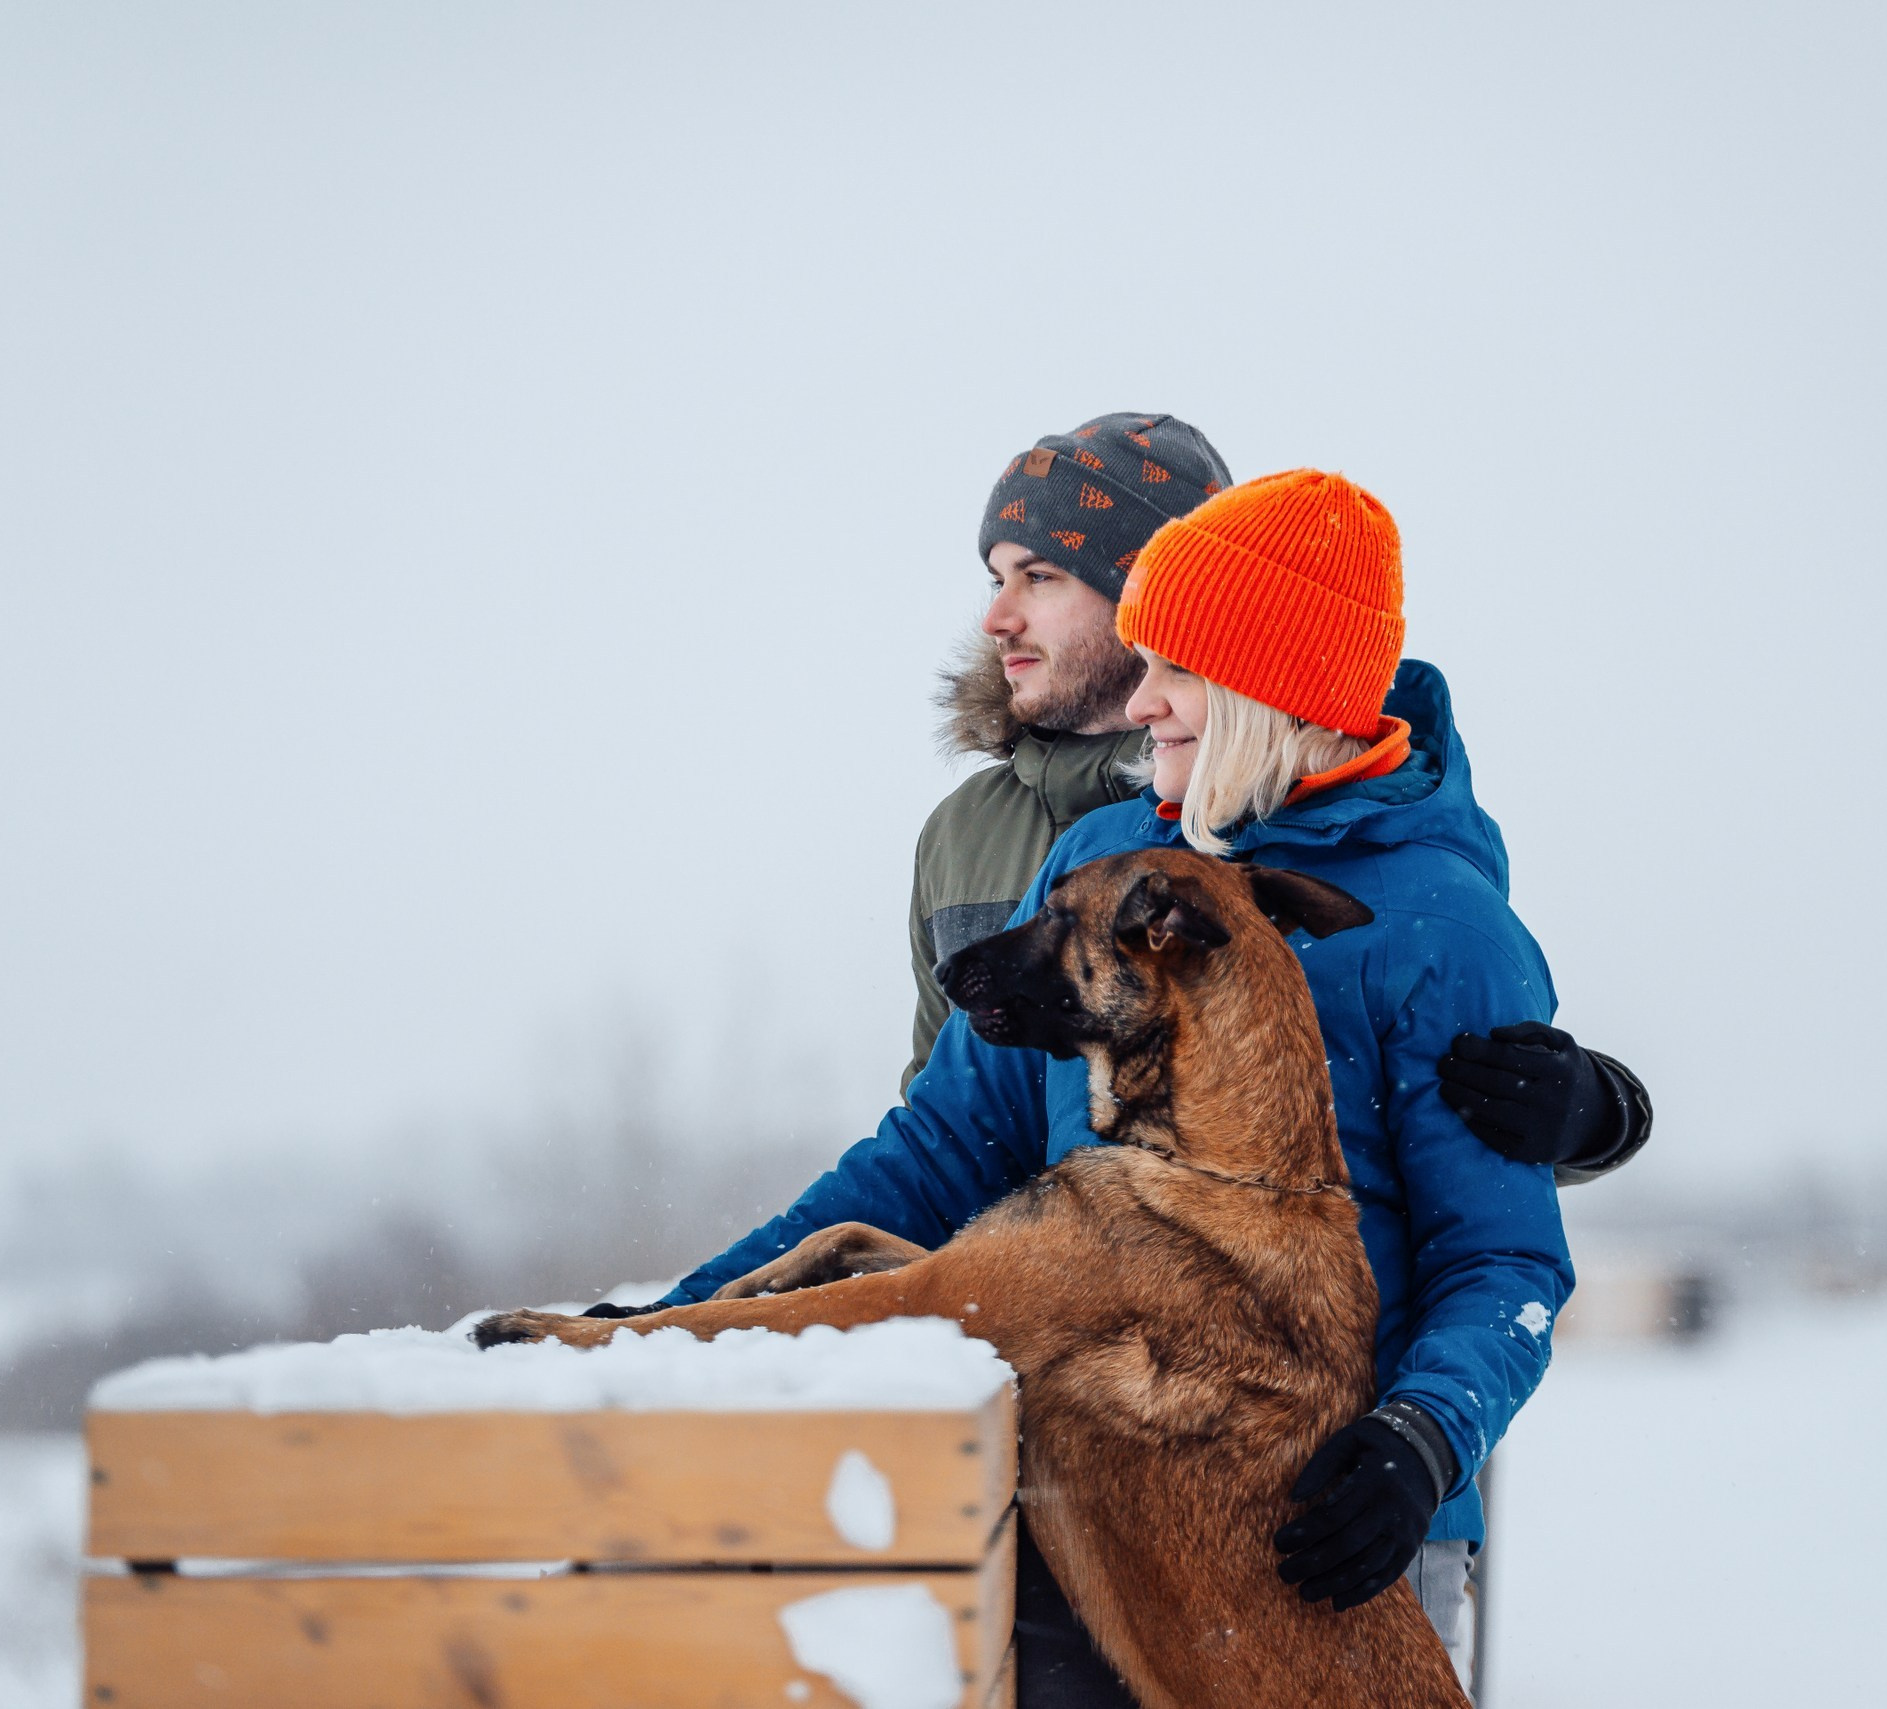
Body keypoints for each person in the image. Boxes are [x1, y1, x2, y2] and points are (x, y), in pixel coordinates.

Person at [631, 468, 1582, 1704]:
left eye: (1171, 670)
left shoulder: (1438, 929)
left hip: (1339, 1536)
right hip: (1085, 1516)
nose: (1140, 705)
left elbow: (1501, 1262)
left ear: (1261, 684)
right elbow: (941, 1146)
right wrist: (666, 1324)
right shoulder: (1099, 862)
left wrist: (1418, 1437)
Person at [914, 413, 1651, 1187]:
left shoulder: (1325, 817)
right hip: (1031, 1278)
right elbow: (942, 1127)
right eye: (995, 581)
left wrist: (1597, 1114)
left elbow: (1409, 1088)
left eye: (1039, 576)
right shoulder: (965, 834)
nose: (997, 617)